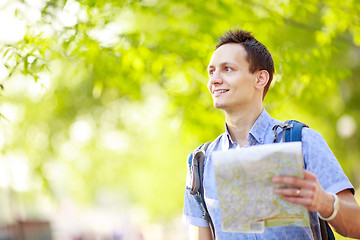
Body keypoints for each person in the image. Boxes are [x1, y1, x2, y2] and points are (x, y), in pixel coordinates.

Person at [182, 29, 360, 240]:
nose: (214, 80)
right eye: (211, 72)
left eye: (227, 69)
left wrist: (324, 202)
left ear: (260, 79)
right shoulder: (200, 164)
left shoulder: (302, 142)